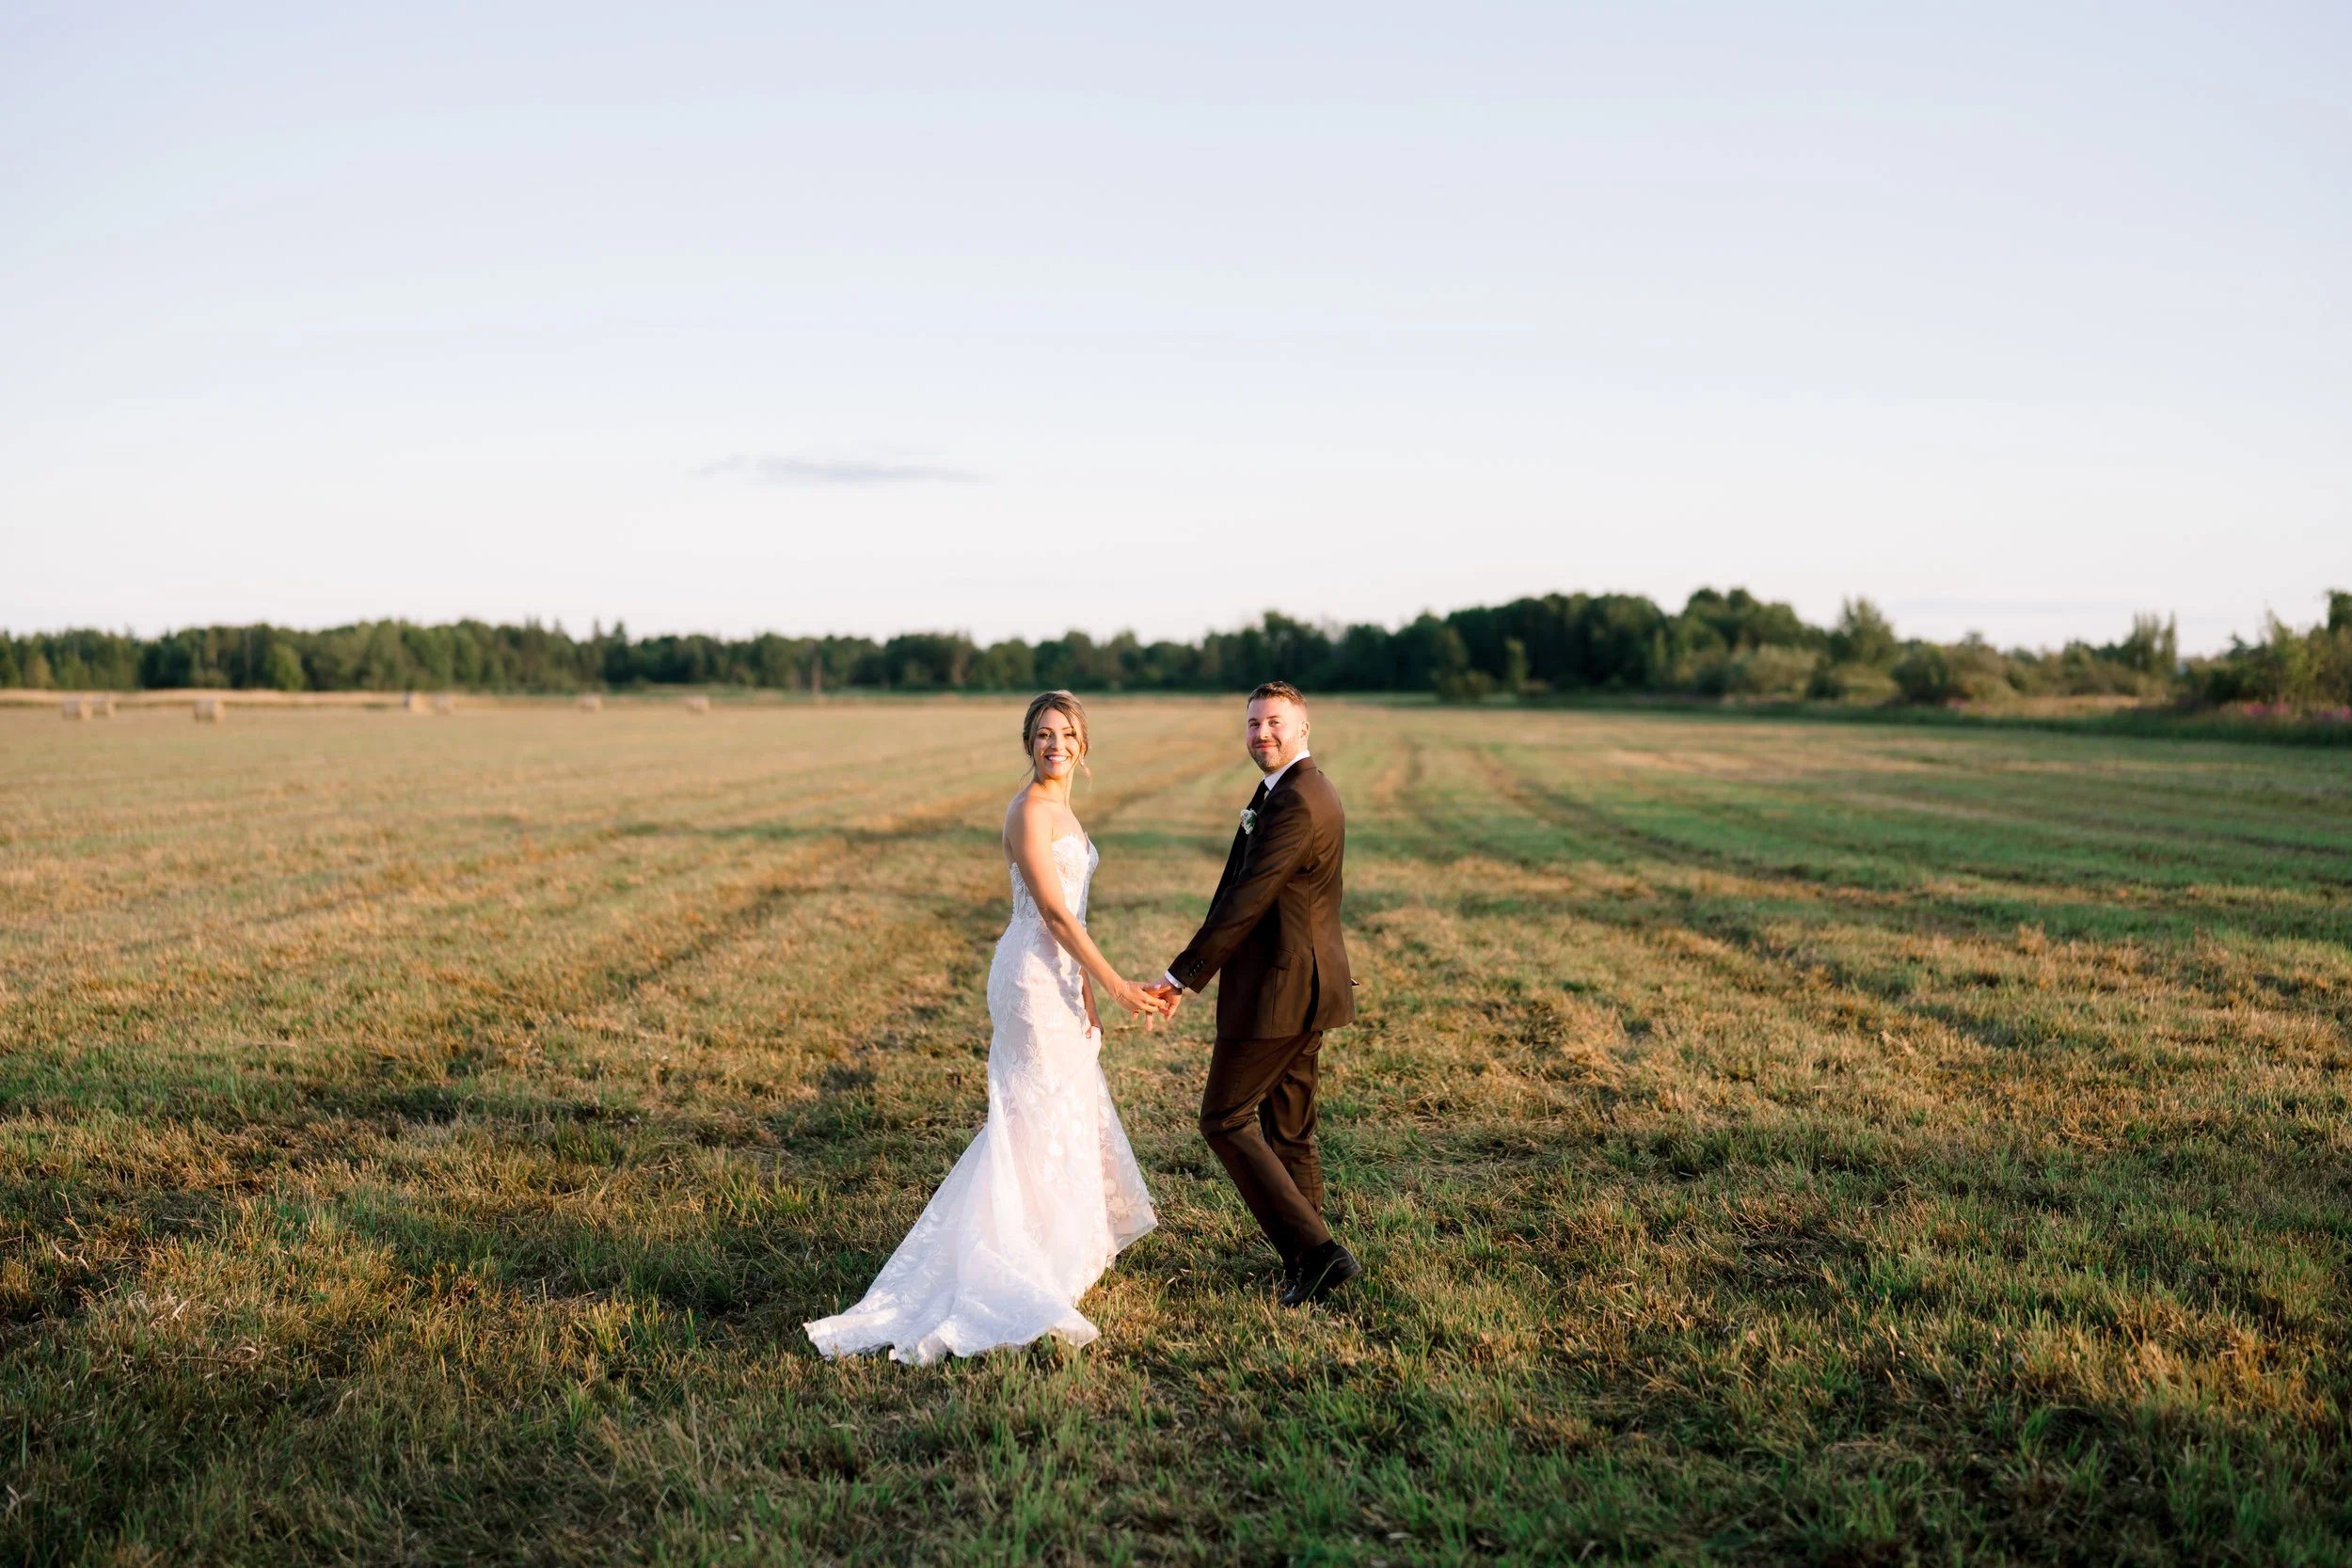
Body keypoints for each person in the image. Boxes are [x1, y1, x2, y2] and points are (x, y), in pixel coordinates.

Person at [804, 691, 1172, 1364]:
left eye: (1065, 733)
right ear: (1027, 743)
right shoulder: (1029, 810)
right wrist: (1118, 984)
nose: (1054, 743)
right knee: (1032, 1116)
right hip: (1031, 980)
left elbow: (1077, 919)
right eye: (1041, 733)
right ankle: (1011, 1260)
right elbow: (1056, 917)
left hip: (1061, 976)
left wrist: (1088, 994)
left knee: (1062, 1108)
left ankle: (1052, 1249)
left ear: (1083, 745)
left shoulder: (1065, 809)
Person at [1146, 681, 1360, 1307]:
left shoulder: (1297, 800)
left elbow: (1248, 898)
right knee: (1288, 1131)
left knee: (1223, 1117)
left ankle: (1319, 1254)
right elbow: (1236, 886)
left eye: (1273, 723)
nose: (1261, 734)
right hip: (1306, 986)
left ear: (1303, 728)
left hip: (1279, 990)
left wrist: (1184, 972)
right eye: (1252, 724)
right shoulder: (1289, 789)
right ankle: (1308, 1260)